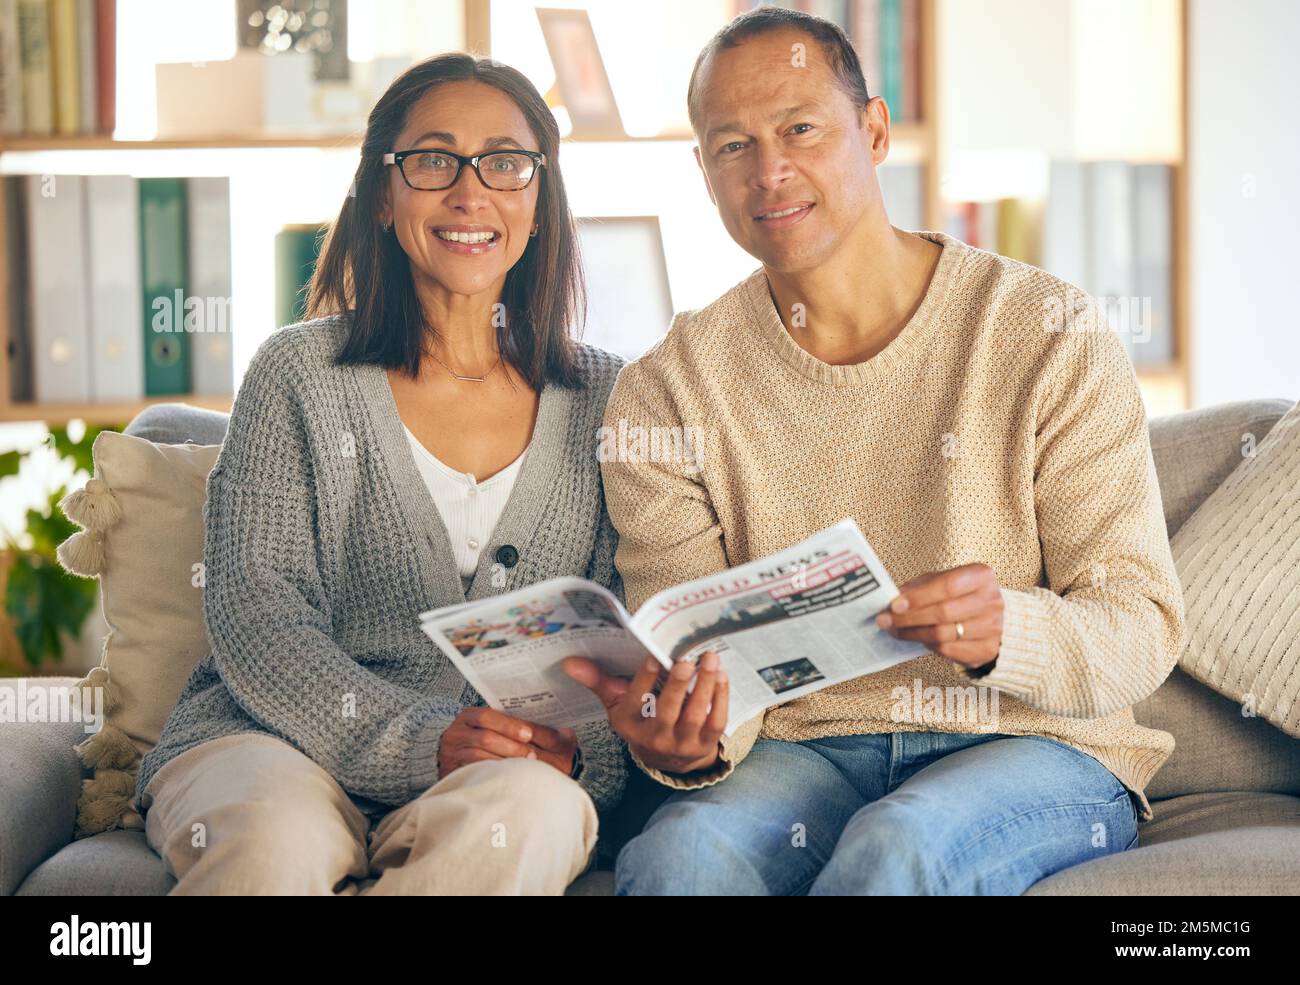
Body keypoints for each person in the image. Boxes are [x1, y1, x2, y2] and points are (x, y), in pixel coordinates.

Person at [566, 6, 1186, 895]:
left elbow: (1141, 623)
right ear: (703, 174)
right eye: (733, 146)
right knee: (676, 856)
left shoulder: (1048, 333)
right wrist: (689, 733)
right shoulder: (667, 391)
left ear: (877, 129)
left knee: (899, 846)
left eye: (801, 129)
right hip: (805, 750)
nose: (770, 170)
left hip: (1032, 742)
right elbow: (699, 666)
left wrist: (1010, 628)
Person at [137, 53, 626, 895]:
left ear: (539, 200)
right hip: (268, 742)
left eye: (505, 162)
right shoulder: (297, 373)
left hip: (497, 771)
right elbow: (259, 615)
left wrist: (583, 752)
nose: (471, 192)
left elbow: (626, 643)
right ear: (383, 194)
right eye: (432, 160)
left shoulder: (613, 399)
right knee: (277, 845)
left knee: (537, 813)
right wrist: (419, 737)